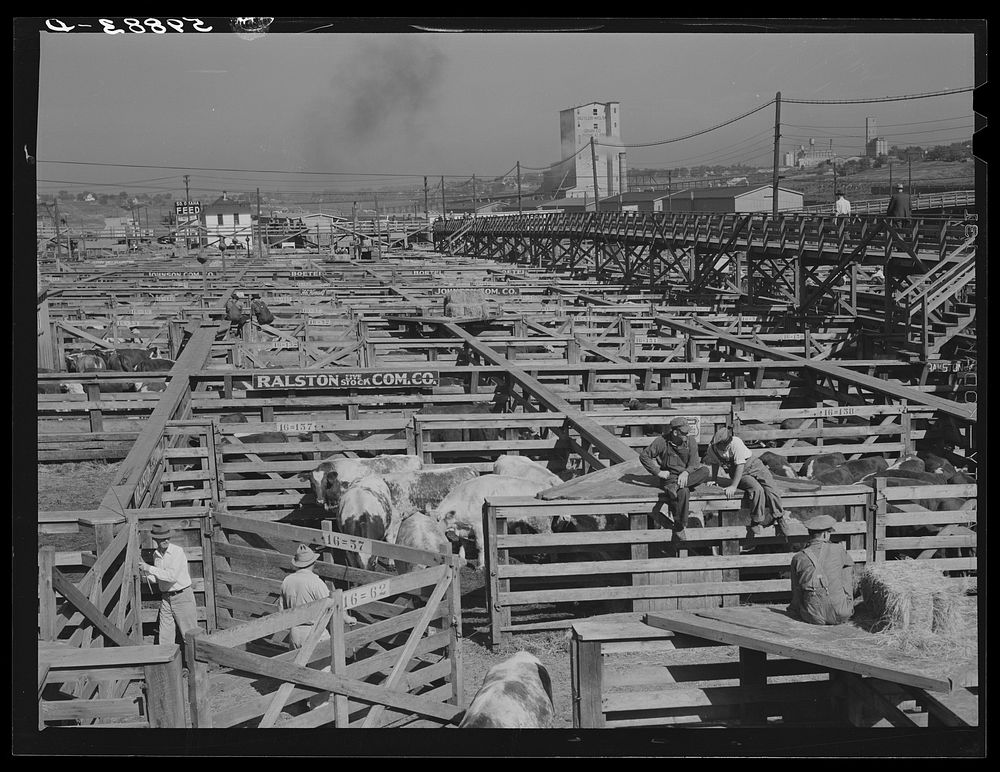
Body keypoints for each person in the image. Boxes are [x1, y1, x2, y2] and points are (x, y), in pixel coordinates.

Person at [704, 427, 788, 539]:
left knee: (771, 488)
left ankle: (779, 516)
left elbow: (740, 464)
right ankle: (756, 520)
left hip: (753, 464)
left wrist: (733, 486)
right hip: (740, 473)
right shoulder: (712, 449)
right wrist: (714, 479)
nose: (721, 447)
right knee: (757, 489)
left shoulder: (736, 443)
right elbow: (715, 463)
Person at [639, 416, 712, 540]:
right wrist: (657, 472)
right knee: (683, 492)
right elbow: (644, 456)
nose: (687, 434)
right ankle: (680, 526)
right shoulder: (661, 441)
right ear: (675, 432)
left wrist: (686, 473)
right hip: (670, 477)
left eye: (687, 431)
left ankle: (675, 487)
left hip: (687, 476)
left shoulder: (691, 441)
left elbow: (694, 464)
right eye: (684, 432)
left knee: (705, 471)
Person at [787, 515, 855, 625]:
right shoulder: (838, 550)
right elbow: (849, 574)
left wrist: (795, 608)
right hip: (841, 614)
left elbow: (796, 590)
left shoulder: (798, 558)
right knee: (847, 568)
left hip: (812, 617)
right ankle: (845, 604)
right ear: (825, 534)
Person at [138, 523, 198, 645]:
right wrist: (144, 575)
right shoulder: (156, 555)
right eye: (162, 538)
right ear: (155, 539)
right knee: (165, 636)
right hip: (166, 598)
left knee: (190, 635)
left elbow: (171, 576)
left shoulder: (177, 552)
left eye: (167, 537)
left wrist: (149, 568)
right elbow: (159, 578)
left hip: (182, 596)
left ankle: (196, 664)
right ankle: (167, 663)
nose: (165, 540)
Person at [279, 544, 331, 649]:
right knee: (321, 665)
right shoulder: (316, 582)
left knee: (297, 664)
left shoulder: (287, 581)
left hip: (295, 632)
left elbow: (281, 610)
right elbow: (331, 606)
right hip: (314, 631)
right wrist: (347, 618)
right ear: (313, 563)